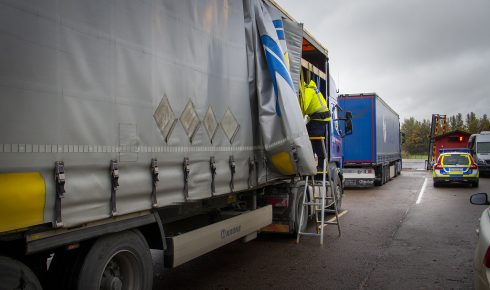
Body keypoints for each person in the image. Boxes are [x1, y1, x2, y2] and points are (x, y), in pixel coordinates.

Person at [300, 80, 331, 171]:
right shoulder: (313, 89)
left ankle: (319, 164)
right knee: (308, 136)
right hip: (320, 118)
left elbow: (304, 107)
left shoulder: (308, 90)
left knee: (314, 140)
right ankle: (314, 161)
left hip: (319, 118)